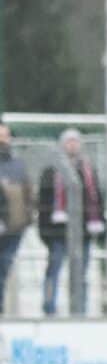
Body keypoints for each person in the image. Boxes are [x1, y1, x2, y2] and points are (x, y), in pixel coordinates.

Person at [37, 127, 105, 315]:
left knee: (81, 275)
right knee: (53, 272)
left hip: (83, 233)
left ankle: (80, 310)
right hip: (58, 233)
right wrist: (45, 233)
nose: (72, 145)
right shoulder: (51, 172)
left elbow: (98, 199)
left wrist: (100, 226)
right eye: (69, 141)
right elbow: (43, 204)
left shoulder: (89, 171)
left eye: (76, 141)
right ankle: (49, 308)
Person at [0, 123, 31, 304]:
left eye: (5, 136)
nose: (2, 140)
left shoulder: (19, 165)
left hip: (14, 228)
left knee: (4, 267)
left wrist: (27, 218)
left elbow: (28, 193)